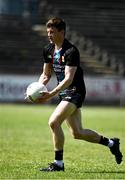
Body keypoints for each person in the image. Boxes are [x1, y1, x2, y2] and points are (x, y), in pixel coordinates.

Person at [37, 17, 123, 171]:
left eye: (52, 32)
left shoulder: (71, 51)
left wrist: (50, 94)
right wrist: (35, 89)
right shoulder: (48, 49)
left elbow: (69, 79)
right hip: (64, 93)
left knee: (54, 122)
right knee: (77, 133)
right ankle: (111, 143)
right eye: (48, 32)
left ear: (62, 32)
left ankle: (58, 164)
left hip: (75, 91)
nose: (49, 35)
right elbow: (45, 75)